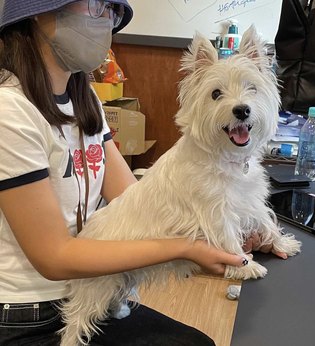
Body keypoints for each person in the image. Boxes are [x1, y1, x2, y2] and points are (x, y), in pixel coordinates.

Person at [0, 1, 251, 345]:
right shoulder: (10, 111)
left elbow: (133, 199)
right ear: (35, 12)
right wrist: (186, 248)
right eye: (96, 5)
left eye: (112, 10)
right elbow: (54, 258)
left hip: (92, 287)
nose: (106, 20)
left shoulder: (82, 96)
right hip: (33, 315)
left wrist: (221, 229)